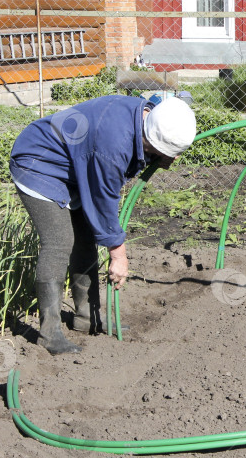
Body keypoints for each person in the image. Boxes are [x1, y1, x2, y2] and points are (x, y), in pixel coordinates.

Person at [10, 94, 197, 355]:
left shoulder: (149, 113)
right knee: (59, 242)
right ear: (149, 138)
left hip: (75, 165)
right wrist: (118, 255)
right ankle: (49, 334)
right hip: (39, 164)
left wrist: (161, 155)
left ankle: (87, 318)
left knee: (85, 238)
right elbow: (103, 201)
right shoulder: (110, 146)